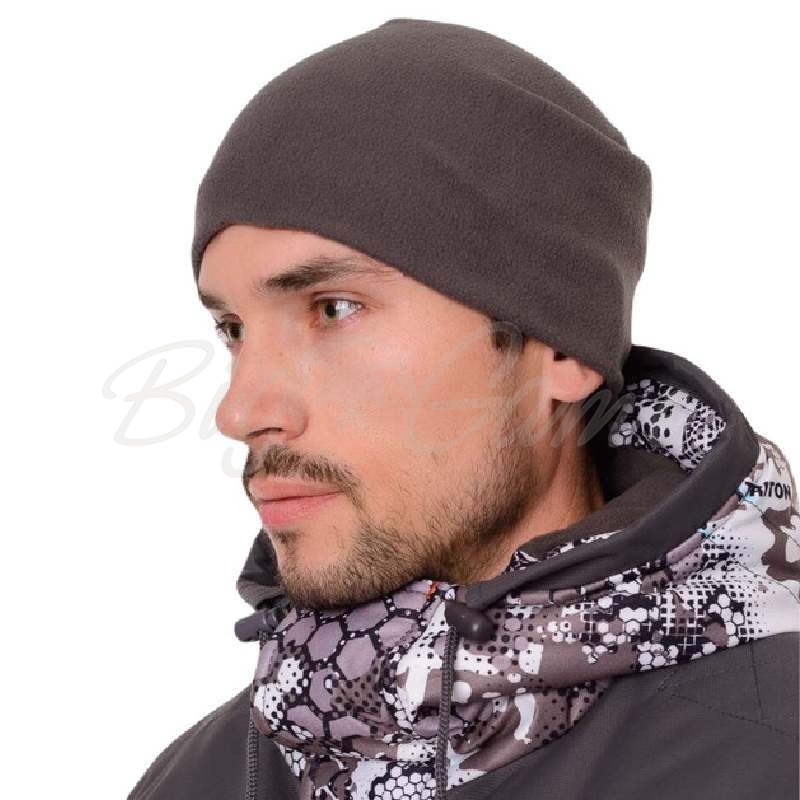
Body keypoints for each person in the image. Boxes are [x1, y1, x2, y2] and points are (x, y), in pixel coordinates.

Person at [127, 17, 800, 800]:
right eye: (234, 329)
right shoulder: (205, 777)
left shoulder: (768, 755)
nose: (241, 410)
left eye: (334, 309)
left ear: (558, 347)